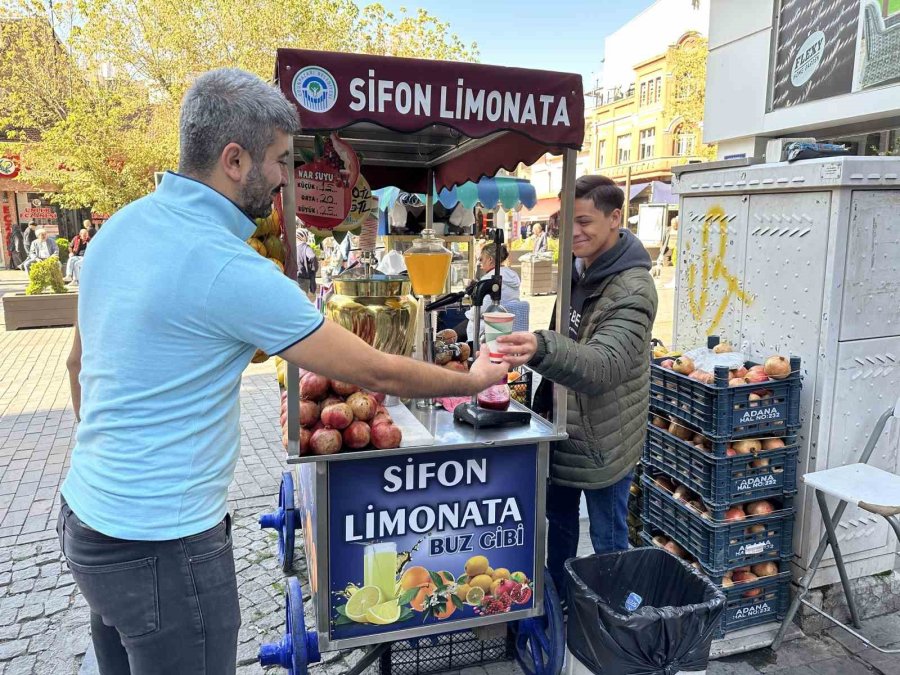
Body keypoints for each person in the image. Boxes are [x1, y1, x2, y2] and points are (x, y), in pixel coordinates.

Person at [59, 68, 509, 675]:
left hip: (87, 521)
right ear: (234, 159)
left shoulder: (119, 229)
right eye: (276, 161)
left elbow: (78, 365)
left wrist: (119, 468)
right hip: (165, 545)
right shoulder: (227, 267)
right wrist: (474, 380)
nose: (282, 179)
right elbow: (381, 372)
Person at [494, 175, 658, 604]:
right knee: (559, 527)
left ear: (615, 218)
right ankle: (561, 603)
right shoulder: (577, 267)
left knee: (608, 540)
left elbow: (604, 365)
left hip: (604, 440)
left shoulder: (633, 289)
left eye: (584, 221)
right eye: (566, 222)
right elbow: (563, 331)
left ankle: (616, 620)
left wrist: (539, 347)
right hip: (561, 426)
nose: (574, 232)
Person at [462, 242, 521, 343]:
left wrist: (468, 313)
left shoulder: (490, 280)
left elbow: (482, 309)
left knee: (453, 333)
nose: (480, 262)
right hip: (508, 325)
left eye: (482, 259)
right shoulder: (513, 276)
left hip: (487, 329)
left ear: (490, 259)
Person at [296, 227, 318, 295]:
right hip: (304, 278)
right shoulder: (305, 246)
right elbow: (312, 256)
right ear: (303, 236)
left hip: (294, 276)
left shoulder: (293, 246)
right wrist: (314, 269)